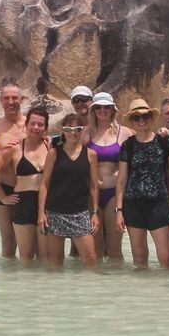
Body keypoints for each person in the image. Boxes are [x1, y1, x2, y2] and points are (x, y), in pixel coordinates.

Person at [115, 98, 169, 268]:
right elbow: (121, 180)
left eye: (145, 116)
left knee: (166, 259)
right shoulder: (127, 145)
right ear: (132, 121)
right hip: (133, 205)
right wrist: (119, 210)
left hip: (159, 204)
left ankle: (167, 293)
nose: (141, 120)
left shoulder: (164, 142)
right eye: (137, 118)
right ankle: (141, 294)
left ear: (151, 117)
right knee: (139, 260)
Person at [38, 112, 101, 267]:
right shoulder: (53, 153)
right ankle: (58, 291)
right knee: (56, 261)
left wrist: (94, 213)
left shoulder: (91, 154)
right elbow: (44, 183)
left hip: (80, 212)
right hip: (55, 212)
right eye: (69, 129)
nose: (73, 133)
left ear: (82, 130)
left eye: (77, 129)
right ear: (63, 130)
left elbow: (93, 186)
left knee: (90, 259)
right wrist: (41, 213)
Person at [2, 104, 54, 263]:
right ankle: (24, 288)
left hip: (46, 205)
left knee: (46, 258)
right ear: (26, 125)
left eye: (40, 124)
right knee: (26, 258)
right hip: (23, 204)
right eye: (33, 123)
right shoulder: (15, 148)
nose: (36, 127)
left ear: (45, 127)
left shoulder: (51, 146)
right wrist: (2, 196)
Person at [86, 91, 130, 263]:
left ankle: (117, 288)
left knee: (114, 248)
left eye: (107, 107)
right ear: (93, 110)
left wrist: (164, 133)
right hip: (93, 194)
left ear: (113, 110)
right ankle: (97, 289)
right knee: (95, 249)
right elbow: (67, 149)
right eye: (98, 107)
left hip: (114, 193)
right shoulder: (86, 132)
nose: (102, 110)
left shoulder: (124, 132)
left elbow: (145, 143)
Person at [0, 81, 27, 259]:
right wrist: (2, 196)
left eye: (15, 98)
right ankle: (8, 284)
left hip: (28, 190)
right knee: (9, 243)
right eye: (7, 98)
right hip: (4, 188)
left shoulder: (32, 125)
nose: (11, 102)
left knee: (31, 244)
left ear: (22, 99)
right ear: (1, 101)